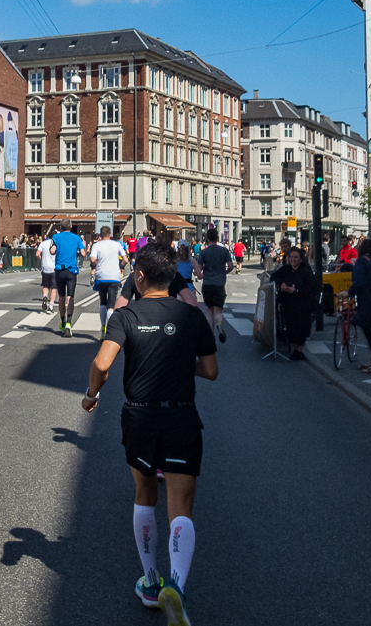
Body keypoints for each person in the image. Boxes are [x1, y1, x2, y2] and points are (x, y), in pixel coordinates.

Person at [82, 242, 218, 623]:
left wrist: (91, 395)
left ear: (138, 277)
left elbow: (102, 362)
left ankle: (152, 580)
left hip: (139, 418)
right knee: (182, 507)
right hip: (181, 418)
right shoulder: (191, 317)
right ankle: (176, 583)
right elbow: (210, 371)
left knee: (145, 495)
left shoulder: (125, 317)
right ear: (173, 276)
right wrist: (176, 362)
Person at [270, 247, 317, 360]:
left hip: (303, 304)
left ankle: (299, 350)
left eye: (296, 257)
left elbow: (311, 289)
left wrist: (296, 291)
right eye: (291, 257)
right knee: (291, 326)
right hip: (288, 303)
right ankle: (294, 349)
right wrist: (282, 284)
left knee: (301, 327)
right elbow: (273, 277)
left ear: (300, 259)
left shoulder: (306, 272)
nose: (293, 259)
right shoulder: (286, 269)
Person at [347, 238, 371, 374]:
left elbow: (359, 282)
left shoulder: (361, 262)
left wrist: (349, 292)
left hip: (366, 301)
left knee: (368, 331)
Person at [193, 227, 232, 343]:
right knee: (218, 310)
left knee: (209, 310)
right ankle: (220, 324)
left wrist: (198, 272)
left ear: (207, 238)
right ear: (218, 238)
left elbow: (199, 270)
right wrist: (224, 272)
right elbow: (230, 266)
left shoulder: (204, 252)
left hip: (208, 284)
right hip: (219, 284)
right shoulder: (224, 251)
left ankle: (211, 336)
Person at [49, 219, 86, 337]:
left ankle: (62, 321)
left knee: (61, 297)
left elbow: (52, 250)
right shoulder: (77, 238)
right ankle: (69, 323)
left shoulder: (56, 237)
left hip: (60, 270)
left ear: (60, 227)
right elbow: (83, 253)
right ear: (71, 226)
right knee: (70, 297)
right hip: (71, 270)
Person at [90, 227, 128, 334]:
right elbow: (125, 259)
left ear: (101, 235)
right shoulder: (117, 244)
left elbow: (92, 259)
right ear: (110, 234)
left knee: (103, 301)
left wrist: (96, 264)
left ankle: (103, 327)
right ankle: (110, 330)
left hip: (101, 276)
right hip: (114, 276)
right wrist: (120, 266)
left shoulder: (96, 245)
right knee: (111, 304)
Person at [36, 231, 57, 313]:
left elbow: (37, 253)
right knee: (54, 288)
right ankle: (50, 307)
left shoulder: (43, 243)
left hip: (45, 268)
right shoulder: (56, 244)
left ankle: (45, 296)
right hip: (54, 268)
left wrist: (41, 259)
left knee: (45, 286)